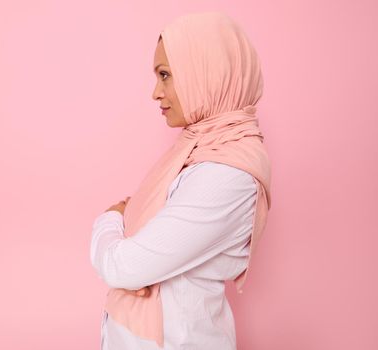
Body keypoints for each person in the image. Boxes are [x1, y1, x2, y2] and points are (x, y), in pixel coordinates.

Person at [90, 11, 271, 349]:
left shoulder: (227, 174)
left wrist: (109, 219)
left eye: (166, 75)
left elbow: (123, 267)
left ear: (207, 74)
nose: (155, 93)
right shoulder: (197, 152)